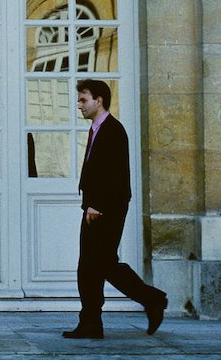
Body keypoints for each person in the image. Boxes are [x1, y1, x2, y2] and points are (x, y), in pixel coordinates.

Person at [63, 79, 168, 340]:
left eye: (83, 100)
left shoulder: (113, 130)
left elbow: (115, 175)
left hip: (106, 209)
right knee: (90, 266)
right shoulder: (98, 129)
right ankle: (91, 322)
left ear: (99, 101)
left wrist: (97, 205)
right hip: (94, 207)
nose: (79, 105)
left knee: (102, 264)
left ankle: (152, 299)